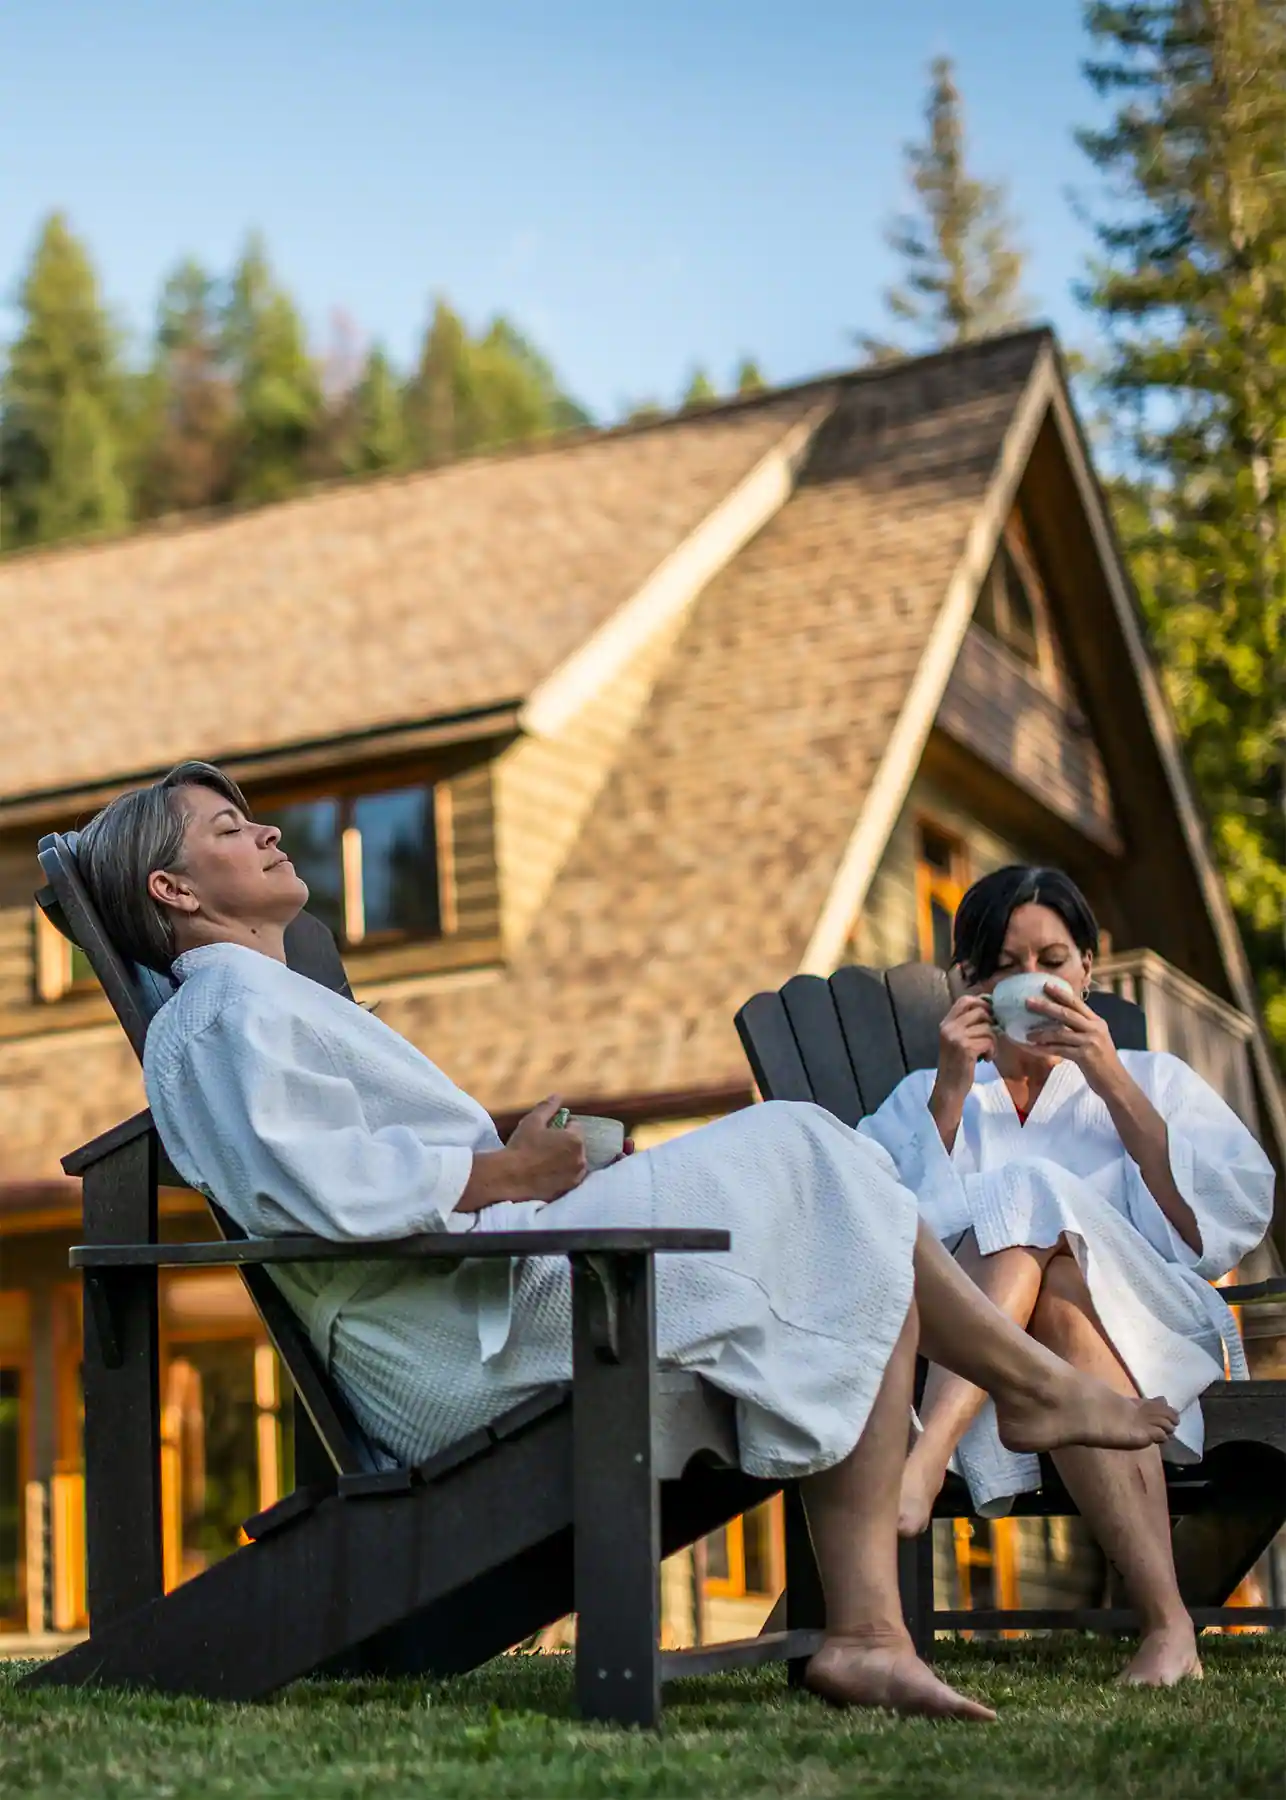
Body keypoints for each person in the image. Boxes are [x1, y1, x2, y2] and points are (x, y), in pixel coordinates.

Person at [76, 767, 1178, 1722]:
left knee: (845, 1200)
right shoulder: (218, 1019)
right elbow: (313, 1187)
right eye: (228, 831)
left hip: (492, 1285)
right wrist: (504, 1174)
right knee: (810, 1150)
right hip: (453, 1342)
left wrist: (524, 1165)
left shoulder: (263, 1003)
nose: (266, 832)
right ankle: (1018, 1389)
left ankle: (870, 1636)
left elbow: (352, 1168)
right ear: (170, 891)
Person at [859, 865, 1274, 1687]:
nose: (1036, 983)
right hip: (1019, 1343)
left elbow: (1216, 1223)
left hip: (1153, 1324)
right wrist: (948, 1094)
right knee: (1056, 1299)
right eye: (1009, 966)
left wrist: (1111, 1077)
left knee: (1029, 1195)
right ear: (970, 984)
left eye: (1055, 959)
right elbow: (881, 1235)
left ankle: (929, 1452)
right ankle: (1167, 1629)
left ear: (1088, 967)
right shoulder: (929, 1093)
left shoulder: (1153, 1079)